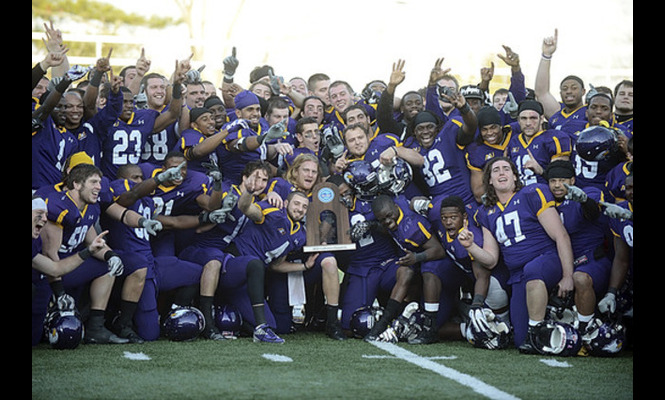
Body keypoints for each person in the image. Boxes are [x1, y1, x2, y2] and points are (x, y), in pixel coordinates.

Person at [474, 156, 574, 351]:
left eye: (506, 169)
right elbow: (491, 259)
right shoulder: (486, 212)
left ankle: (536, 331)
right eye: (496, 170)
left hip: (546, 260)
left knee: (533, 270)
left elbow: (561, 235)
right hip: (518, 275)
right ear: (490, 180)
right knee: (520, 339)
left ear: (514, 176)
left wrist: (568, 275)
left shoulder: (532, 193)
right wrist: (470, 246)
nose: (501, 172)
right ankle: (546, 325)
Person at [103, 163, 206, 342]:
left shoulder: (148, 201)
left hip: (152, 263)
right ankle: (119, 319)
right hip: (136, 266)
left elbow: (175, 222)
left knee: (197, 272)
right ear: (123, 179)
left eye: (142, 178)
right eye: (135, 177)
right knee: (150, 335)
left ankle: (172, 313)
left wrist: (207, 218)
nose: (140, 181)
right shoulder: (119, 189)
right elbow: (131, 195)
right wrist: (158, 179)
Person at [35, 164, 129, 345]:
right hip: (47, 272)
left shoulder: (91, 207)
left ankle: (96, 327)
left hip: (70, 265)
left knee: (108, 266)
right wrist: (59, 292)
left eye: (100, 182)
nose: (99, 187)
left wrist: (111, 256)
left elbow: (94, 242)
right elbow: (49, 253)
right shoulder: (60, 207)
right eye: (93, 182)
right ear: (76, 184)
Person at [179, 161, 273, 340]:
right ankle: (208, 322)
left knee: (274, 324)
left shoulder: (256, 200)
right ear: (244, 178)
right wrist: (218, 215)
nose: (259, 183)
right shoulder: (229, 191)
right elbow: (201, 228)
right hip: (200, 248)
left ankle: (243, 321)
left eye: (264, 180)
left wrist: (274, 193)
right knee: (214, 260)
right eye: (256, 178)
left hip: (224, 255)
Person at [543, 160, 613, 348]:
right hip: (562, 261)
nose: (557, 185)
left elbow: (592, 212)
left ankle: (585, 331)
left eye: (563, 180)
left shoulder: (588, 192)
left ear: (573, 180)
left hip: (591, 260)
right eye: (553, 181)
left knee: (580, 278)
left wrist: (583, 201)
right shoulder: (545, 202)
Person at [233, 190, 312, 343]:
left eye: (304, 207)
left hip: (253, 278)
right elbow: (246, 208)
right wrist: (249, 191)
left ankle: (240, 321)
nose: (300, 209)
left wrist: (305, 266)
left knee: (274, 325)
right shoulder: (273, 211)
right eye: (296, 204)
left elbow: (276, 265)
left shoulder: (300, 235)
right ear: (286, 203)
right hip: (237, 260)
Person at [365, 194, 446, 343]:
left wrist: (416, 258)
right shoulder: (396, 206)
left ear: (395, 208)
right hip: (416, 258)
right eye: (382, 220)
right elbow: (389, 226)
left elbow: (439, 250)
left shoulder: (411, 226)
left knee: (434, 320)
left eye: (389, 216)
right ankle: (385, 322)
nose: (387, 221)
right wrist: (373, 225)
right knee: (404, 270)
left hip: (437, 262)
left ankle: (430, 327)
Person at [97, 59, 187, 179]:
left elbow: (173, 114)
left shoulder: (143, 118)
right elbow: (88, 105)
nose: (129, 105)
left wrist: (176, 86)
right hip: (109, 178)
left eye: (131, 102)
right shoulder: (104, 119)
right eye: (124, 102)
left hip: (137, 177)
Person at [32, 195, 108, 279]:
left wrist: (89, 250)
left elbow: (54, 269)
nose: (45, 219)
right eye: (39, 213)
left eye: (46, 215)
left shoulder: (34, 241)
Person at [506, 99, 572, 186]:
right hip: (520, 194)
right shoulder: (514, 141)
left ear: (541, 119)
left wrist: (540, 171)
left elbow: (562, 181)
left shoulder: (554, 139)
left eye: (533, 118)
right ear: (518, 120)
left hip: (545, 194)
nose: (528, 123)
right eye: (524, 118)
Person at [534, 29, 587, 129]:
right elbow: (541, 93)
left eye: (574, 88)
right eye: (565, 89)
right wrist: (546, 55)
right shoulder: (557, 113)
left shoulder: (590, 112)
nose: (569, 91)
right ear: (560, 93)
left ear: (583, 91)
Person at [464, 106, 514, 203]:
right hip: (499, 200)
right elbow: (478, 194)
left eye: (493, 127)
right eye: (484, 129)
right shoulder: (476, 151)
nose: (489, 133)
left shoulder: (514, 131)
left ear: (500, 125)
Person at [376, 60, 425, 142]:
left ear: (423, 107)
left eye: (418, 103)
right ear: (402, 108)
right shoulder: (397, 129)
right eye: (409, 103)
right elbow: (383, 116)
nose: (414, 106)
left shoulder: (430, 127)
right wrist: (392, 86)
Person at [175, 107, 229, 174]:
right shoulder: (190, 134)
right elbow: (198, 152)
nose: (211, 122)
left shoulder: (214, 134)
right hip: (191, 179)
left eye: (212, 118)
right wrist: (227, 131)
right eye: (205, 120)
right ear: (195, 125)